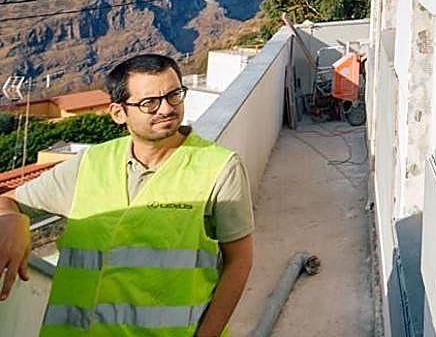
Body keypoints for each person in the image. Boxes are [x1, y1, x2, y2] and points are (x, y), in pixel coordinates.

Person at [0, 53, 254, 336]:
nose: (166, 109)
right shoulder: (90, 164)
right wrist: (12, 219)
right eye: (149, 103)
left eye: (174, 95)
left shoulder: (219, 167)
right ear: (119, 113)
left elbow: (239, 261)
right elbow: (8, 200)